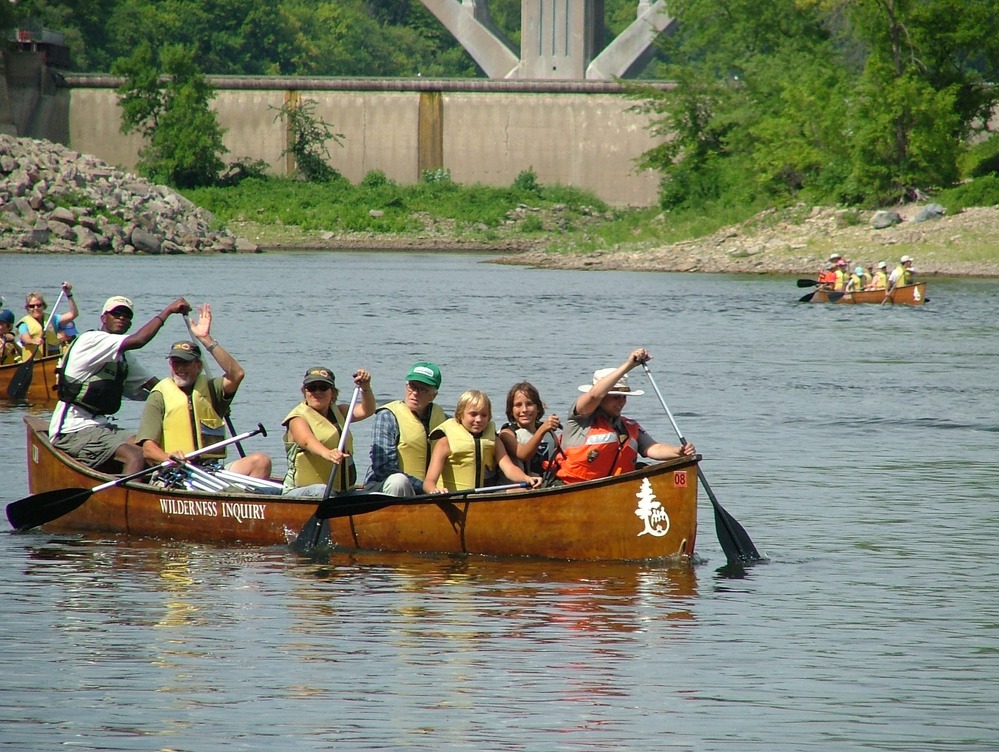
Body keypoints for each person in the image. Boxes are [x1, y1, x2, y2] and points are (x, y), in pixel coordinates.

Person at [49, 295, 191, 474]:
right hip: (72, 430)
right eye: (116, 313)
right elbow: (139, 340)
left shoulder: (124, 357)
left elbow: (158, 387)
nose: (121, 318)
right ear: (103, 318)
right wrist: (169, 311)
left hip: (102, 427)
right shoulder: (91, 340)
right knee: (136, 456)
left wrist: (200, 398)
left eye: (126, 315)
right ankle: (130, 498)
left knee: (149, 448)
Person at [135, 304, 271, 481]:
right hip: (176, 474)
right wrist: (168, 458)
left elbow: (237, 374)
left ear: (198, 366)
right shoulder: (158, 395)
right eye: (176, 363)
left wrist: (206, 339)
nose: (180, 369)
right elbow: (148, 448)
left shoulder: (212, 389)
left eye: (185, 363)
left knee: (261, 461)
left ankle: (240, 504)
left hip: (211, 472)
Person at [555, 348, 696, 485]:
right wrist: (630, 365)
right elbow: (594, 395)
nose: (621, 402)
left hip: (614, 492)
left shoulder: (629, 426)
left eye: (624, 397)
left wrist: (678, 452)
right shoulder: (580, 418)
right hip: (574, 487)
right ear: (603, 397)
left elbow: (654, 448)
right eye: (615, 397)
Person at [423, 390, 542, 494]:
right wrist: (435, 490)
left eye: (484, 415)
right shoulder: (445, 442)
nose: (478, 420)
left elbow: (509, 468)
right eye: (473, 414)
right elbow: (429, 482)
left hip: (482, 495)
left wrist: (527, 478)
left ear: (489, 417)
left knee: (520, 491)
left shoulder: (494, 440)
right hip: (453, 497)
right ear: (460, 415)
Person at [281, 366, 376, 496]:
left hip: (342, 492)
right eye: (312, 387)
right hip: (302, 491)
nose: (317, 392)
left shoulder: (340, 412)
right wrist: (328, 453)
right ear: (304, 391)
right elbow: (307, 441)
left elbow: (367, 410)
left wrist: (365, 387)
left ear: (333, 392)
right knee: (322, 490)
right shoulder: (297, 419)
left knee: (377, 498)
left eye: (323, 387)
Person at [365, 361, 447, 497]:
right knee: (398, 481)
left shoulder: (444, 420)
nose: (415, 393)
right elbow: (383, 468)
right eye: (412, 387)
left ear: (434, 395)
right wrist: (426, 487)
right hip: (387, 488)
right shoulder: (387, 417)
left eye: (423, 390)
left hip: (432, 491)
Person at [498, 381, 560, 477]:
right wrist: (542, 430)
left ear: (538, 408)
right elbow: (523, 454)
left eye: (529, 404)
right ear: (511, 410)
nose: (524, 410)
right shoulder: (507, 434)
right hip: (523, 486)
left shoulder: (549, 432)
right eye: (518, 405)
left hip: (549, 484)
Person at [17, 282, 79, 359]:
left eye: (39, 305)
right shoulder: (24, 324)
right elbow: (26, 339)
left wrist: (68, 294)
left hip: (52, 359)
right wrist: (33, 341)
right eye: (32, 306)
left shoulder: (53, 319)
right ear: (27, 308)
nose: (36, 308)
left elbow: (74, 314)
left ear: (44, 306)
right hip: (34, 361)